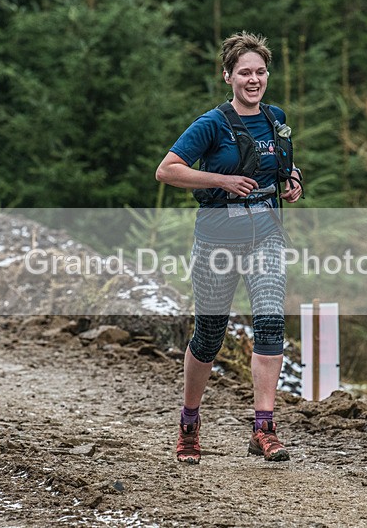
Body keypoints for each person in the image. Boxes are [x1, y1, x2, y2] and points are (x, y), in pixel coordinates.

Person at [155, 31, 303, 464]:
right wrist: (221, 181)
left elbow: (282, 164)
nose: (253, 79)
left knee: (271, 322)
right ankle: (189, 423)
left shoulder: (276, 118)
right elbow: (167, 170)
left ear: (267, 74)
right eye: (244, 73)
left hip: (266, 237)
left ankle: (264, 427)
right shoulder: (211, 124)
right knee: (209, 336)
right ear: (228, 76)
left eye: (259, 72)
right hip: (217, 239)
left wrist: (292, 183)